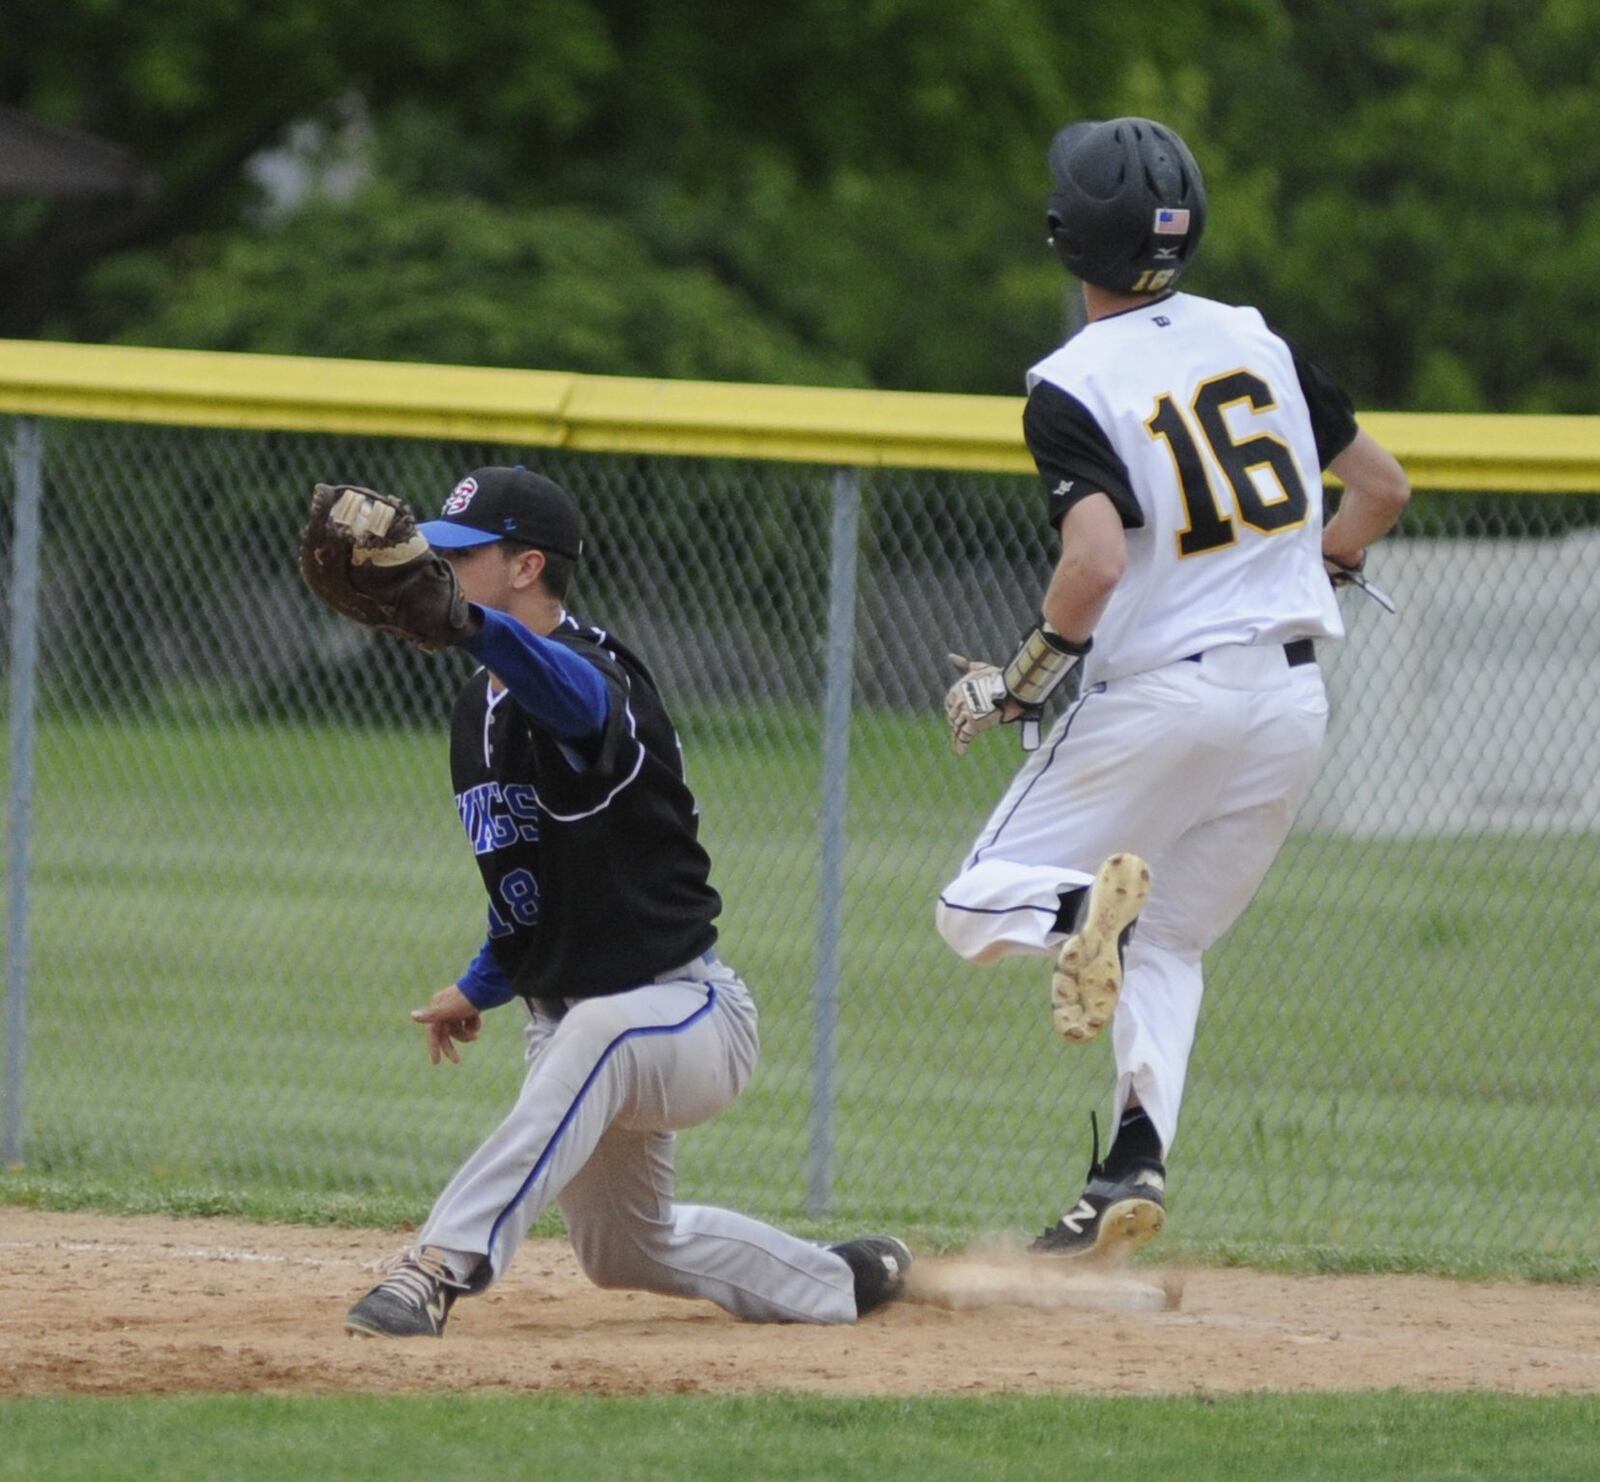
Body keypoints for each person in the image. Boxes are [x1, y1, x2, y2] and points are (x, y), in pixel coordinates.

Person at [935, 118, 1410, 1260]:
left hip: (1166, 693)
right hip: (1291, 703)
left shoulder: (1069, 380)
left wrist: (1018, 684)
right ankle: (1129, 1169)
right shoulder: (1257, 342)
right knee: (1170, 946)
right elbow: (1381, 490)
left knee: (975, 903)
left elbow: (1094, 563)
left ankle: (1078, 916)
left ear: (1065, 235)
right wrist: (1319, 566)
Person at [299, 466, 911, 1336]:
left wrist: (472, 629)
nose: (436, 577)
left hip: (687, 1014)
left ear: (527, 566)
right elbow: (529, 881)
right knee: (625, 1251)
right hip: (574, 1026)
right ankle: (836, 1283)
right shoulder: (476, 708)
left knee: (599, 1029)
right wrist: (480, 984)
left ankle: (434, 1268)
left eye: (462, 559)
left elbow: (573, 699)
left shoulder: (598, 677)